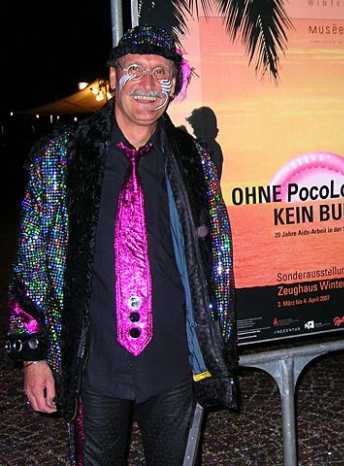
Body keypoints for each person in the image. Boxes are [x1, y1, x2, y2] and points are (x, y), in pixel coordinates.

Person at [5, 25, 237, 465]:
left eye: (161, 73)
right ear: (113, 78)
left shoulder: (194, 161)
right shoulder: (61, 157)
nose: (149, 84)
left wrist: (214, 346)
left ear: (174, 84)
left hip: (173, 362)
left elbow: (216, 260)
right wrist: (33, 357)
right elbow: (31, 261)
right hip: (93, 363)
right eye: (135, 70)